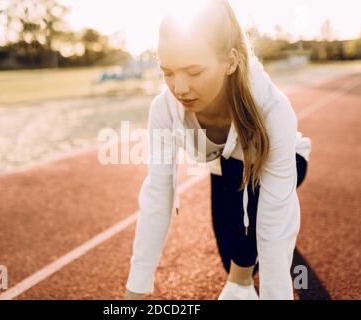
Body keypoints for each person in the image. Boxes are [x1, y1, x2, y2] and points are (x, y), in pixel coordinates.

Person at [123, 0, 312, 300]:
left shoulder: (271, 110)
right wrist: (135, 290)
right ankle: (240, 271)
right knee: (232, 257)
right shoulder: (163, 110)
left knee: (247, 255)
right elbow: (158, 195)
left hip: (287, 159)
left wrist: (273, 293)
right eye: (167, 72)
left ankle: (242, 271)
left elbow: (275, 225)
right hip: (222, 165)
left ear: (230, 62)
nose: (179, 87)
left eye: (194, 72)